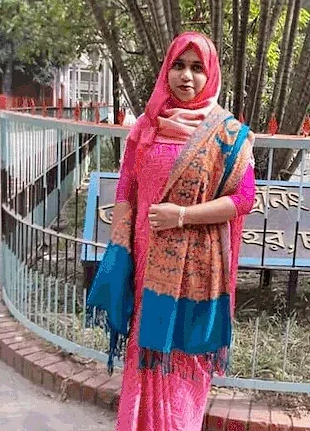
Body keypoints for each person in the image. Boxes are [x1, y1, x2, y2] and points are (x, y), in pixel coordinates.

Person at [87, 31, 256, 431]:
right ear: (167, 70)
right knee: (143, 359)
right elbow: (126, 189)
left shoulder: (228, 135)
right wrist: (121, 258)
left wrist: (181, 215)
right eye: (179, 65)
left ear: (210, 75)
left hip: (197, 277)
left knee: (183, 365)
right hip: (147, 273)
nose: (187, 76)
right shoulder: (146, 128)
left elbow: (243, 200)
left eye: (198, 68)